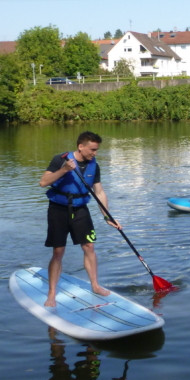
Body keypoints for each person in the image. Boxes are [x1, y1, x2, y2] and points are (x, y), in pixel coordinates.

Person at [39, 131, 121, 307]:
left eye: (97, 149)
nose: (95, 153)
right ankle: (52, 293)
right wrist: (64, 170)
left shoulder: (94, 165)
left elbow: (99, 192)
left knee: (89, 246)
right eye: (92, 149)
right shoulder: (60, 159)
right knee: (58, 252)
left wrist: (107, 216)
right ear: (81, 147)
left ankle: (95, 285)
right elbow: (43, 182)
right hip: (58, 210)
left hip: (81, 209)